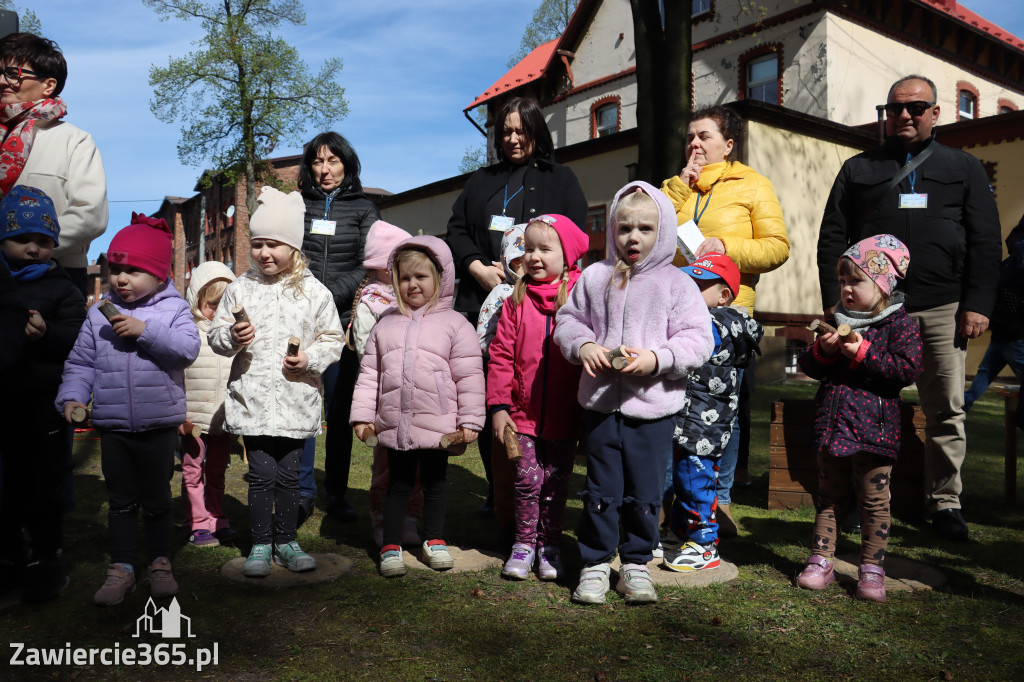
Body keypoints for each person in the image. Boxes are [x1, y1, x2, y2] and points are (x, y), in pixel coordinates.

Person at [817, 75, 1001, 541]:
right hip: (871, 315)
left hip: (943, 306)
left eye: (916, 108)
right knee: (863, 404)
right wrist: (836, 305)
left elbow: (984, 239)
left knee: (946, 409)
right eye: (895, 108)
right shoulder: (858, 169)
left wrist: (977, 303)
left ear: (935, 114)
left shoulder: (964, 167)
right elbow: (832, 241)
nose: (904, 115)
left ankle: (945, 502)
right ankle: (860, 498)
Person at [554, 182, 714, 605]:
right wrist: (583, 346)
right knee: (601, 487)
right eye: (624, 228)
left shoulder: (676, 284)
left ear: (661, 233)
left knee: (644, 490)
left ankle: (637, 563)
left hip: (655, 408)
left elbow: (699, 340)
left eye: (645, 228)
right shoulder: (595, 276)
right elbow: (569, 321)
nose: (633, 238)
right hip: (602, 406)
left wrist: (659, 358)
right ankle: (595, 564)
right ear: (612, 229)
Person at [446, 96, 587, 518]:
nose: (513, 138)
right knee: (496, 396)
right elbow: (456, 231)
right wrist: (478, 270)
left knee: (538, 400)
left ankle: (542, 487)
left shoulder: (560, 179)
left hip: (544, 308)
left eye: (521, 130)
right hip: (485, 303)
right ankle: (500, 488)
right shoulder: (480, 181)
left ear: (536, 132)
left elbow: (575, 239)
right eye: (505, 131)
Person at [57, 214, 200, 605]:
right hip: (114, 425)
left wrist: (145, 331)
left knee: (156, 500)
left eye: (133, 270)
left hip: (158, 426)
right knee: (120, 501)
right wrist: (72, 399)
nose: (121, 278)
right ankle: (121, 568)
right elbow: (81, 364)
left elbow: (187, 351)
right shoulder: (97, 314)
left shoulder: (174, 310)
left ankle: (159, 562)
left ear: (158, 275)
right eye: (116, 269)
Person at [661, 105, 789, 535]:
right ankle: (664, 498)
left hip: (726, 316)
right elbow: (648, 233)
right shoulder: (675, 186)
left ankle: (721, 500)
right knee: (668, 401)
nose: (695, 144)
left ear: (728, 145)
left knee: (722, 408)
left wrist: (726, 246)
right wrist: (679, 188)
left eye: (705, 136)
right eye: (690, 137)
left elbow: (776, 247)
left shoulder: (753, 185)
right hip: (671, 312)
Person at [209, 187, 344, 577]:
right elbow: (216, 336)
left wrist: (310, 360)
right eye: (258, 244)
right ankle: (260, 545)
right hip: (252, 401)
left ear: (294, 248)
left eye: (274, 244)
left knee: (288, 476)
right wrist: (233, 338)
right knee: (261, 474)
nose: (264, 253)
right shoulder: (239, 288)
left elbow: (333, 339)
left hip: (296, 399)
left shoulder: (314, 292)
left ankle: (286, 540)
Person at [796, 235, 923, 602]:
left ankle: (871, 568)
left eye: (857, 281)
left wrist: (862, 352)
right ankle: (821, 559)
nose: (847, 289)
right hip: (833, 429)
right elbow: (809, 366)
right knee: (829, 497)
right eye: (843, 282)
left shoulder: (900, 325)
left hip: (875, 433)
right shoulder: (835, 320)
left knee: (873, 501)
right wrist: (823, 350)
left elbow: (906, 369)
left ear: (883, 284)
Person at [350, 236, 485, 578]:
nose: (413, 284)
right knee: (398, 484)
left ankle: (434, 539)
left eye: (421, 277)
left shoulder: (456, 325)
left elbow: (469, 375)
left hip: (439, 425)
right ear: (395, 280)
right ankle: (391, 545)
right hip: (397, 424)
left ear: (440, 278)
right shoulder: (385, 324)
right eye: (405, 277)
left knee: (436, 485)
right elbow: (369, 376)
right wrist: (363, 417)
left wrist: (470, 420)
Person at [487, 214, 589, 581]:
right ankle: (523, 543)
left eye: (545, 248)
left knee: (556, 484)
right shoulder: (517, 298)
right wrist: (499, 407)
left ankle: (550, 545)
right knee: (527, 480)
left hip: (566, 415)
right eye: (528, 248)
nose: (534, 256)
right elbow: (500, 353)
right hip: (522, 414)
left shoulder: (580, 295)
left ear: (568, 256)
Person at [0, 186, 85, 602]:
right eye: (22, 240)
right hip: (5, 401)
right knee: (9, 483)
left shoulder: (62, 288)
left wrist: (48, 333)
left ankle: (46, 555)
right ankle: (10, 556)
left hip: (45, 403)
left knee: (46, 481)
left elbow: (78, 339)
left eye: (44, 241)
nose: (34, 249)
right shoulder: (3, 285)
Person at [297, 131, 380, 523]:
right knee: (302, 405)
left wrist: (331, 293)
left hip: (344, 324)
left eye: (332, 161)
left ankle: (337, 491)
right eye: (317, 161)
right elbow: (288, 253)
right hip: (302, 321)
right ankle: (302, 490)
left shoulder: (364, 209)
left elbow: (370, 261)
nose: (325, 169)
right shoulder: (297, 205)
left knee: (339, 408)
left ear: (346, 164)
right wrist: (312, 294)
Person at [664, 253, 762, 573]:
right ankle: (681, 533)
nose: (689, 289)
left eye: (699, 284)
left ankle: (704, 545)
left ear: (724, 295)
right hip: (702, 421)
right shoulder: (729, 324)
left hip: (700, 425)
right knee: (689, 481)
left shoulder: (713, 323)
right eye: (687, 282)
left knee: (694, 482)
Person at [0, 33, 108, 295]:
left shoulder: (74, 140)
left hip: (54, 277)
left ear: (48, 85)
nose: (2, 81)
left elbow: (90, 214)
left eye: (13, 73)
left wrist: (30, 247)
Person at [346, 219, 423, 548]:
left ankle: (411, 517)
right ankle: (382, 517)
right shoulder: (371, 302)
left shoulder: (414, 295)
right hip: (384, 395)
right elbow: (366, 348)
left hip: (418, 394)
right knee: (386, 462)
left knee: (417, 459)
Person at [181, 260, 238, 547]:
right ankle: (197, 522)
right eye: (211, 304)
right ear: (197, 300)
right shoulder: (187, 333)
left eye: (223, 304)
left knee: (216, 472)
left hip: (223, 420)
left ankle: (217, 517)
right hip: (193, 421)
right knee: (193, 472)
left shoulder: (233, 338)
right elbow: (176, 375)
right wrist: (179, 415)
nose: (217, 312)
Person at [963, 216, 1024, 411]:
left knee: (985, 371)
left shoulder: (1006, 266)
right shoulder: (1015, 269)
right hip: (1015, 333)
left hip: (1002, 330)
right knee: (987, 370)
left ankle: (966, 402)